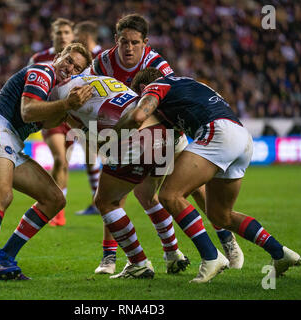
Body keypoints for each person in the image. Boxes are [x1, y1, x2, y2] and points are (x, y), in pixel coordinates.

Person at [115, 68, 301, 283]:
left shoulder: (156, 86)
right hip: (241, 137)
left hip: (217, 133)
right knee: (221, 215)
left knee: (170, 195)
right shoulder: (189, 83)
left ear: (141, 88)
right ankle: (280, 253)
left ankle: (211, 256)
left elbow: (139, 115)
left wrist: (112, 133)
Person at [90, 13, 243, 275]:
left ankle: (226, 240)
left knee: (194, 189)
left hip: (167, 130)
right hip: (127, 134)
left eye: (135, 43)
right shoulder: (102, 63)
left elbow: (174, 101)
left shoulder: (158, 65)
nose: (128, 48)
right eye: (124, 42)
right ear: (116, 40)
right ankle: (116, 256)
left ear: (145, 43)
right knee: (124, 192)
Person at [0, 43, 93, 286]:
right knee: (2, 196)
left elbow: (53, 120)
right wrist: (67, 105)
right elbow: (27, 111)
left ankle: (5, 257)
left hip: (10, 140)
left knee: (54, 198)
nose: (69, 68)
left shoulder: (57, 92)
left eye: (77, 68)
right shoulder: (42, 72)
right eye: (68, 60)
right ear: (58, 57)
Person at [48, 74, 191, 278]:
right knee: (147, 196)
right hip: (163, 131)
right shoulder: (103, 78)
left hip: (136, 135)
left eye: (72, 63)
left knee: (105, 202)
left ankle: (138, 262)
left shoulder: (64, 89)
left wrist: (61, 108)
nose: (68, 68)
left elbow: (50, 119)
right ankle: (173, 253)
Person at [29, 18, 76, 226]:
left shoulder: (79, 59)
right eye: (59, 33)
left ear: (72, 35)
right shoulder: (39, 58)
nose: (63, 36)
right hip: (50, 113)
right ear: (53, 35)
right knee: (60, 159)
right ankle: (56, 209)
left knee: (65, 163)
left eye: (66, 32)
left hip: (72, 116)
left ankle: (59, 207)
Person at [72, 20, 104, 215]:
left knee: (98, 156)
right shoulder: (87, 57)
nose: (75, 39)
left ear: (86, 36)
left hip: (100, 113)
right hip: (87, 113)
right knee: (90, 155)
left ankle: (101, 201)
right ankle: (97, 200)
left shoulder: (102, 57)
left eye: (77, 35)